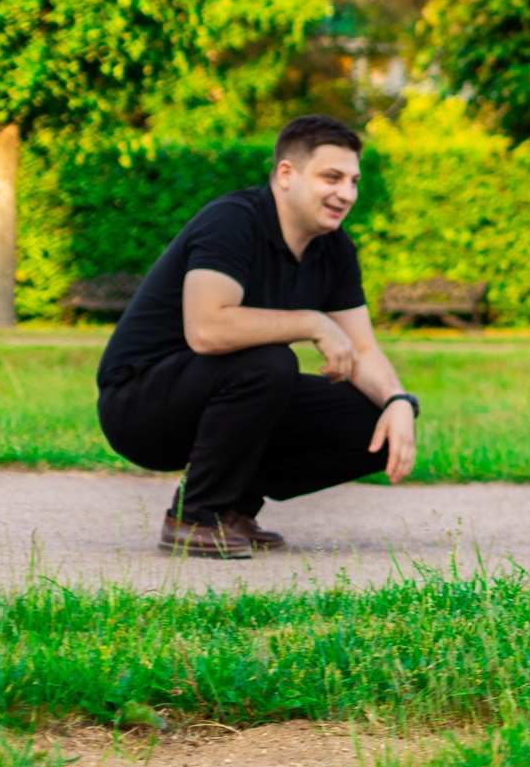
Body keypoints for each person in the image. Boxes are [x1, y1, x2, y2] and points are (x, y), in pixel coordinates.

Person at [95, 115, 422, 559]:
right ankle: (193, 518)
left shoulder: (335, 248)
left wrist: (399, 402)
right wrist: (314, 323)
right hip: (141, 403)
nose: (347, 194)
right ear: (287, 174)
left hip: (225, 396)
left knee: (370, 422)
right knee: (269, 363)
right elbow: (208, 329)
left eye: (353, 180)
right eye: (332, 177)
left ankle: (232, 509)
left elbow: (362, 348)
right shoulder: (233, 221)